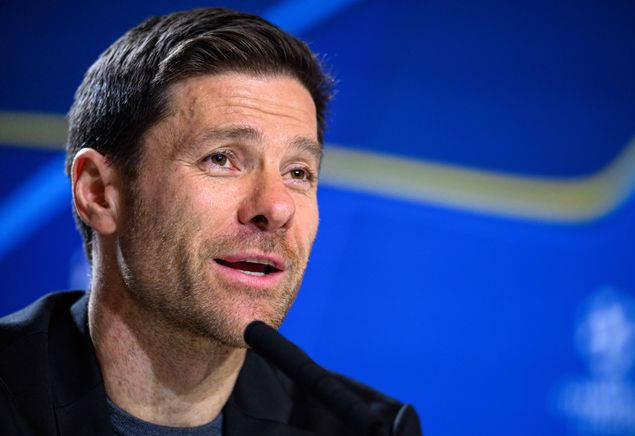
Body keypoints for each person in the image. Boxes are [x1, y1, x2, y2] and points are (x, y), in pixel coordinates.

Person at [0, 7, 421, 436]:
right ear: (99, 193)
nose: (277, 208)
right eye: (221, 159)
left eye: (298, 172)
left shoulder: (364, 429)